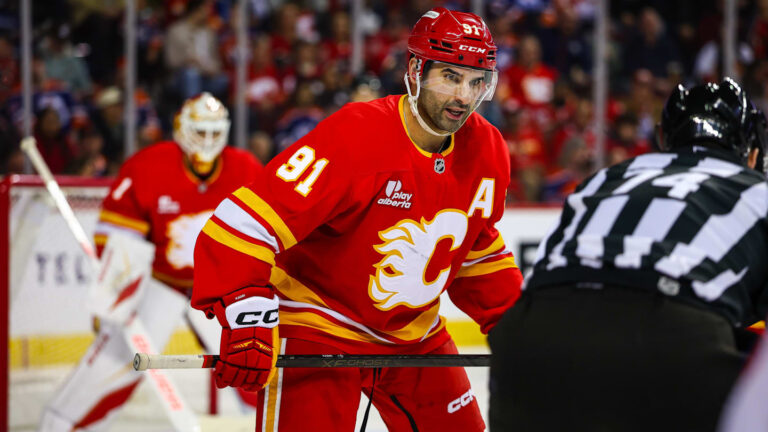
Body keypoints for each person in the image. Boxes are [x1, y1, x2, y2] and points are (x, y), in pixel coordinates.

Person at [191, 7, 523, 432]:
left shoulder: (488, 149)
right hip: (318, 326)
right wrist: (248, 313)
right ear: (416, 70)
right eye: (450, 77)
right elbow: (244, 224)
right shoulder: (355, 135)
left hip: (414, 336)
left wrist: (519, 325)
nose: (464, 96)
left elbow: (476, 248)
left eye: (476, 81)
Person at [488, 77, 768, 432]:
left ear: (666, 139)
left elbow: (545, 271)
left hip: (528, 340)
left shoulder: (607, 178)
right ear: (752, 153)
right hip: (672, 338)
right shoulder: (757, 191)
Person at [38, 92, 262, 431]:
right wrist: (116, 293)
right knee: (115, 361)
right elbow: (118, 240)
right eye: (200, 131)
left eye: (215, 132)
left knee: (254, 362)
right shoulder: (148, 166)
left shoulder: (246, 168)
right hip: (161, 284)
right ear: (181, 129)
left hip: (222, 290)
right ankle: (61, 426)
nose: (207, 140)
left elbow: (262, 236)